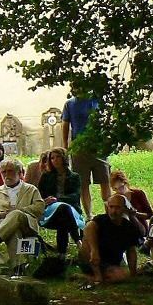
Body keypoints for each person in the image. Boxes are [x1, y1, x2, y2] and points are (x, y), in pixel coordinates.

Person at [0, 158, 45, 265]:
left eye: (10, 171)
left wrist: (19, 210)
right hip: (4, 226)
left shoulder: (30, 189)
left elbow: (39, 208)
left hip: (27, 224)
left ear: (19, 172)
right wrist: (2, 215)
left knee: (16, 214)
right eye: (3, 172)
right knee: (14, 231)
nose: (6, 175)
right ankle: (18, 267)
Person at [63, 88, 109, 217]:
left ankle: (109, 212)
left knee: (104, 180)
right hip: (79, 148)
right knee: (83, 183)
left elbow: (106, 121)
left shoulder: (97, 100)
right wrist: (66, 146)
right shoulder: (69, 104)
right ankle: (89, 216)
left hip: (98, 147)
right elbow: (65, 124)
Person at [80, 193, 140, 286]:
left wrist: (133, 273)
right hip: (92, 260)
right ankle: (97, 276)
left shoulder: (129, 227)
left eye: (117, 207)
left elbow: (131, 251)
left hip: (110, 263)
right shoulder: (101, 220)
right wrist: (94, 250)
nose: (113, 211)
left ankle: (94, 278)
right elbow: (89, 227)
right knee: (88, 239)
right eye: (111, 207)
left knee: (120, 275)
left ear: (124, 209)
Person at [37, 147, 84, 255]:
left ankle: (61, 254)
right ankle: (78, 241)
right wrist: (46, 200)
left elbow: (75, 196)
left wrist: (58, 199)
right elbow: (39, 195)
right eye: (52, 158)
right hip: (50, 210)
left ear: (64, 158)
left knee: (64, 214)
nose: (55, 160)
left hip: (71, 209)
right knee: (63, 208)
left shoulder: (74, 177)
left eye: (58, 157)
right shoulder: (46, 176)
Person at [109, 169, 153, 236]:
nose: (119, 191)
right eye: (115, 189)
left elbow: (150, 215)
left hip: (140, 228)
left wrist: (135, 214)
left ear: (125, 183)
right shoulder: (114, 199)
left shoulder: (138, 194)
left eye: (121, 187)